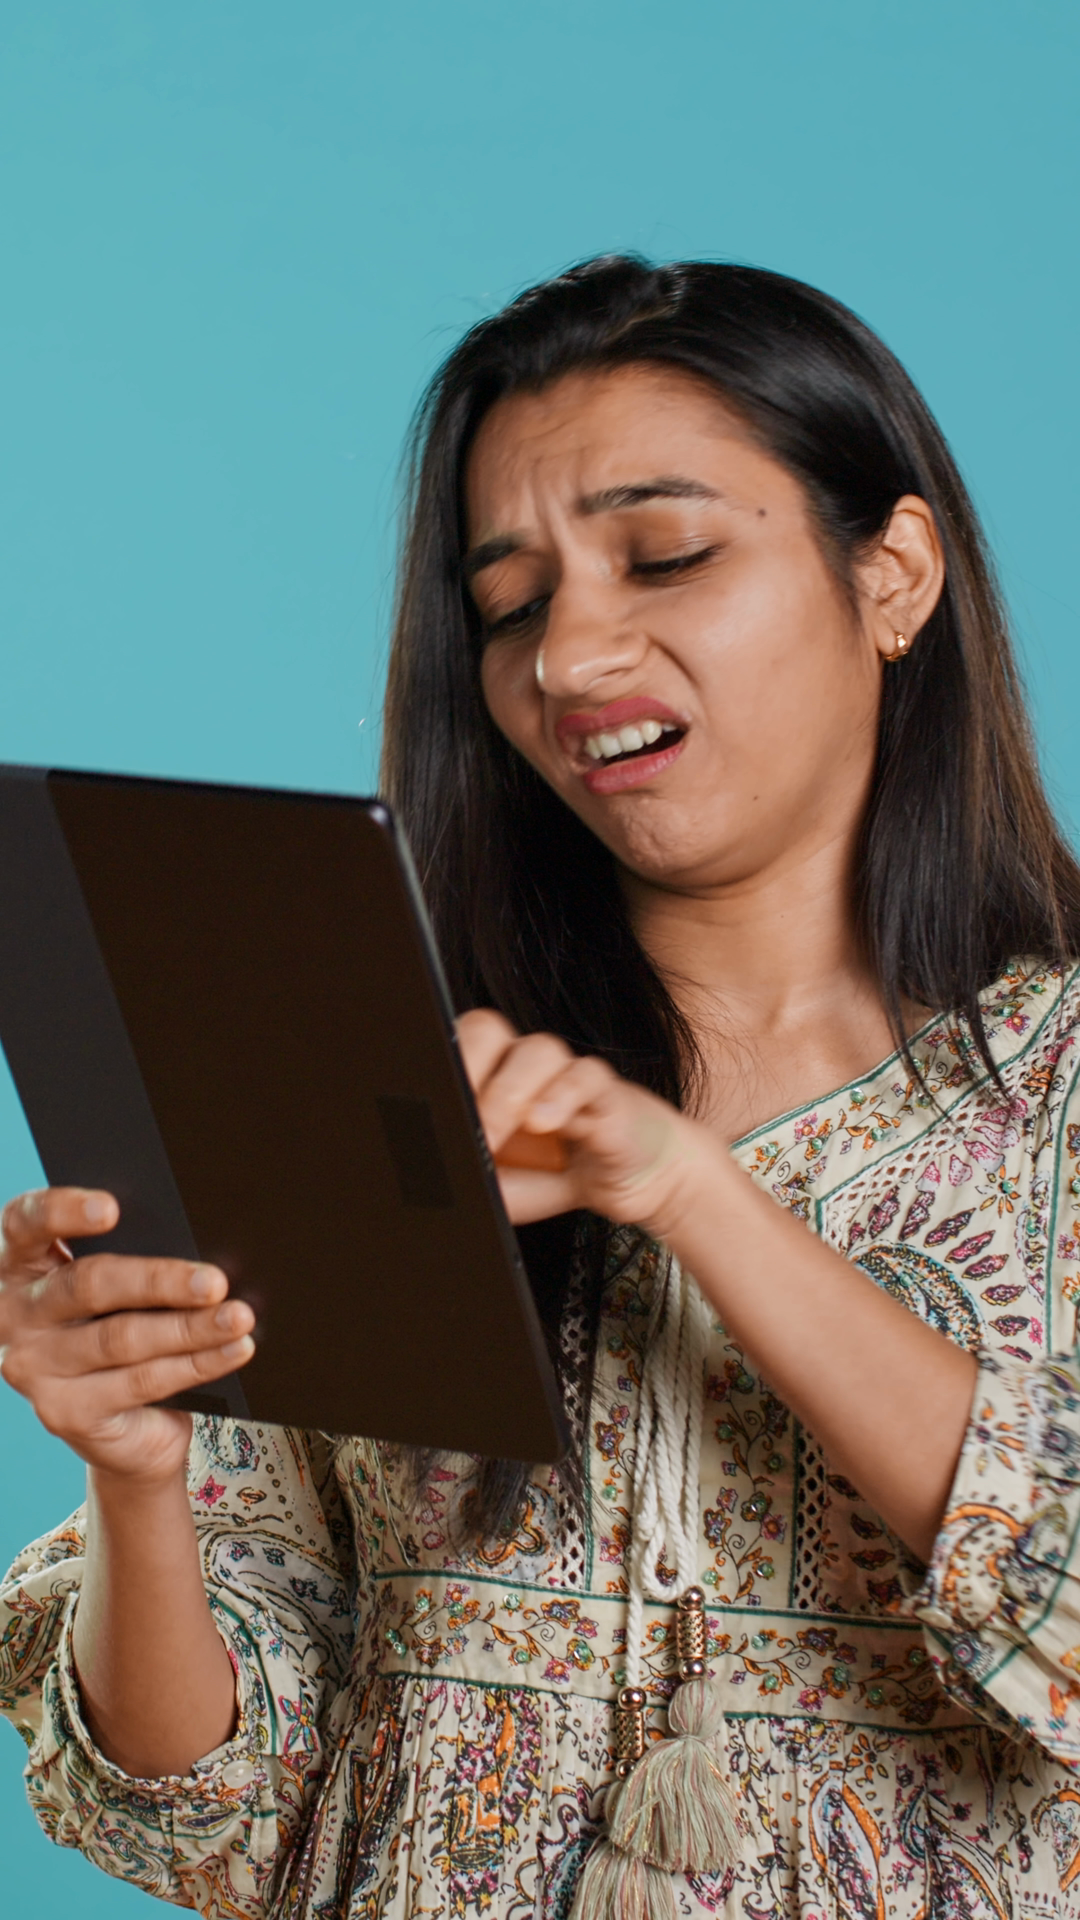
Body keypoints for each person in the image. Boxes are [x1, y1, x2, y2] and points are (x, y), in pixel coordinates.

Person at [3, 255, 1080, 1920]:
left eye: (668, 555)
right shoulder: (385, 1099)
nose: (572, 654)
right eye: (509, 607)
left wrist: (692, 1192)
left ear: (894, 574)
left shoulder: (1056, 1089)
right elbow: (210, 1820)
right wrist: (135, 1472)